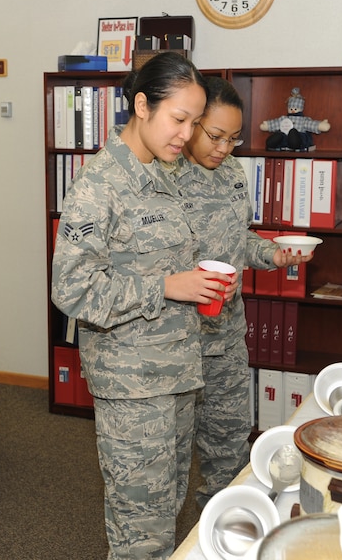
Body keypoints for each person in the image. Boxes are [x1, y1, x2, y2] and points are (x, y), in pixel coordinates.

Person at [51, 52, 234, 559]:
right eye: (180, 120)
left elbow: (166, 260)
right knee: (141, 531)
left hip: (176, 371)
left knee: (166, 509)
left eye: (195, 123)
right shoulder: (99, 185)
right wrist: (167, 287)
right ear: (141, 106)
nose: (188, 134)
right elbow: (72, 289)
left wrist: (199, 282)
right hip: (132, 386)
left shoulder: (166, 172)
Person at [174, 77, 313, 508]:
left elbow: (240, 240)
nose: (223, 148)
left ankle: (223, 534)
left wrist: (274, 254)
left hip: (226, 336)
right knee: (170, 466)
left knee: (231, 452)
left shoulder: (232, 171)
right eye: (215, 136)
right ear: (192, 123)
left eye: (233, 139)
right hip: (177, 341)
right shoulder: (162, 175)